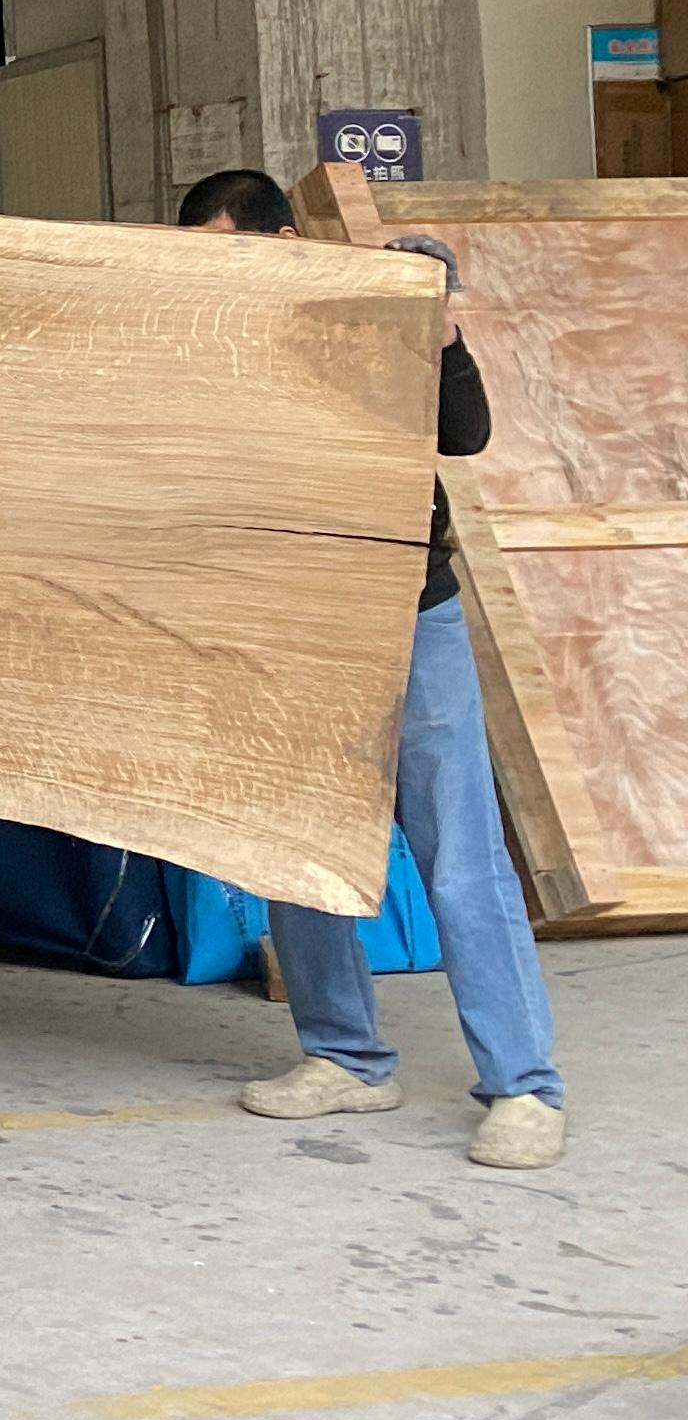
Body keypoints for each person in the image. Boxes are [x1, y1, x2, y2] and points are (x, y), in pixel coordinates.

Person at [179, 165, 566, 1170]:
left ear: (283, 242)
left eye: (232, 253)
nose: (223, 275)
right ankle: (344, 1057)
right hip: (294, 626)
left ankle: (524, 1086)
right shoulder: (211, 344)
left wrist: (439, 330)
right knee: (301, 847)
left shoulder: (367, 311)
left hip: (406, 616)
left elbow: (464, 434)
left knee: (458, 852)